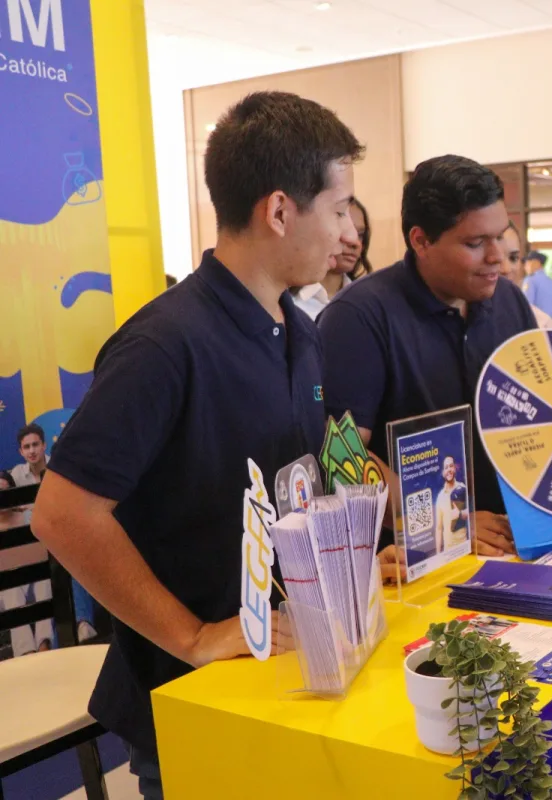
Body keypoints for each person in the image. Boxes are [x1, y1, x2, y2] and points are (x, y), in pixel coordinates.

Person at [29, 90, 363, 798]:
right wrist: (193, 635)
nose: (347, 233)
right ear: (280, 211)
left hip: (286, 675)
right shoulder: (163, 346)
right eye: (338, 210)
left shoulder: (299, 332)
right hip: (194, 699)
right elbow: (62, 514)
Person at [319, 155, 533, 574]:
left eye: (500, 237)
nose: (497, 257)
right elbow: (341, 456)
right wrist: (449, 520)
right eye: (475, 243)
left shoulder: (510, 302)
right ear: (420, 241)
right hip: (414, 563)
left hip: (516, 543)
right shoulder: (359, 316)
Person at [293, 196, 372, 320]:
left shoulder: (368, 301)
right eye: (344, 230)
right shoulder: (287, 301)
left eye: (361, 235)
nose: (355, 243)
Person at [502, 222, 552, 329]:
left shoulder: (530, 281)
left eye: (513, 258)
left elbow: (525, 304)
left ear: (536, 263)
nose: (506, 269)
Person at [434, 456, 469, 553]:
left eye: (451, 466)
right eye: (446, 467)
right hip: (448, 552)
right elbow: (439, 528)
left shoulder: (463, 488)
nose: (449, 470)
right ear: (442, 472)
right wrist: (438, 554)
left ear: (455, 468)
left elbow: (472, 513)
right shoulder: (440, 497)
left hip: (464, 547)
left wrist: (460, 514)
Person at [523, 250, 552, 319]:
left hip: (536, 324)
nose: (525, 267)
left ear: (535, 263)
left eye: (527, 263)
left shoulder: (530, 280)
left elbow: (526, 307)